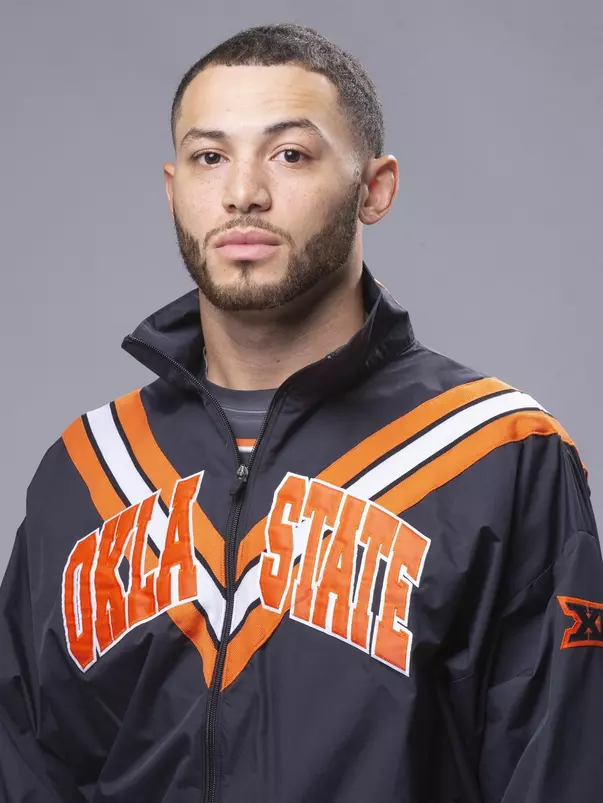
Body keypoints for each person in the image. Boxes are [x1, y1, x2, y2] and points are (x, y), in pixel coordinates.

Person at [0, 21, 601, 803]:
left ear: (373, 188)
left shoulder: (498, 452)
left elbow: (559, 768)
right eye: (208, 156)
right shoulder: (85, 469)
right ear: (173, 186)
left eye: (289, 154)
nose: (243, 191)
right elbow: (26, 764)